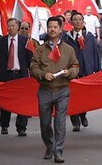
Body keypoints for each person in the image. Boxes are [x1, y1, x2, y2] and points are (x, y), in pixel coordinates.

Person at [31, 16, 79, 163]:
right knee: (45, 123)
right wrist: (43, 74)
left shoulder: (69, 50)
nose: (52, 29)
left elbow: (76, 66)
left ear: (60, 29)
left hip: (63, 90)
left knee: (60, 122)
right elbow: (33, 67)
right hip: (45, 90)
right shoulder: (40, 49)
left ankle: (58, 151)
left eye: (55, 27)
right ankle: (49, 145)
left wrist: (69, 73)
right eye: (50, 27)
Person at [0, 18, 33, 136]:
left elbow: (30, 59)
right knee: (5, 101)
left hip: (20, 75)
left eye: (13, 26)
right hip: (5, 75)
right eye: (8, 26)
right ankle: (4, 125)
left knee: (22, 101)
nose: (10, 28)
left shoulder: (25, 41)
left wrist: (33, 73)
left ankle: (21, 127)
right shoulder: (0, 42)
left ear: (18, 27)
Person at [63, 12, 101, 132]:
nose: (78, 22)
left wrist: (97, 71)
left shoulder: (89, 37)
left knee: (85, 97)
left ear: (83, 21)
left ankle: (83, 115)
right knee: (73, 97)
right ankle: (75, 122)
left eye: (80, 19)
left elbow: (95, 54)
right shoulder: (67, 37)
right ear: (71, 22)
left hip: (87, 70)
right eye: (75, 20)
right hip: (73, 71)